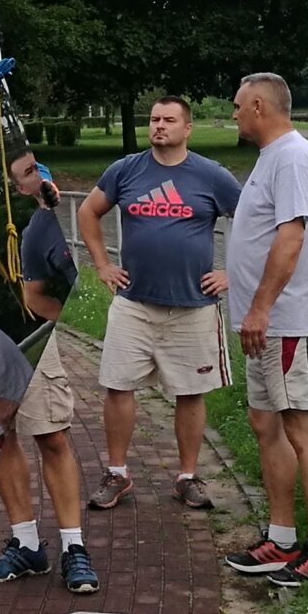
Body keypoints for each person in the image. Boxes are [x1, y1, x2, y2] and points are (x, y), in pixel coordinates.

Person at [77, 97, 241, 511]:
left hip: (193, 306)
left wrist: (234, 272)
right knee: (118, 386)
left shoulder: (211, 175)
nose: (159, 126)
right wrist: (102, 265)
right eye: (154, 119)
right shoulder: (125, 170)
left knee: (190, 392)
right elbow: (87, 212)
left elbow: (254, 222)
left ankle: (187, 477)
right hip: (134, 304)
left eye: (169, 120)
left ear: (187, 128)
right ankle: (117, 473)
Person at [218, 72, 308, 589]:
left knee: (301, 431)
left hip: (289, 323)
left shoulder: (292, 157)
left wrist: (261, 309)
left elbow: (291, 237)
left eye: (238, 105)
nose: (233, 114)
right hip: (266, 325)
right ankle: (282, 537)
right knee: (265, 425)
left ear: (259, 107)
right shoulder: (272, 157)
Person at [0, 149, 100, 593]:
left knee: (52, 436)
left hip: (31, 341)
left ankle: (73, 547)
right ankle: (26, 544)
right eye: (27, 172)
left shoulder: (39, 223)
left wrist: (47, 198)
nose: (38, 175)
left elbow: (49, 289)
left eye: (36, 168)